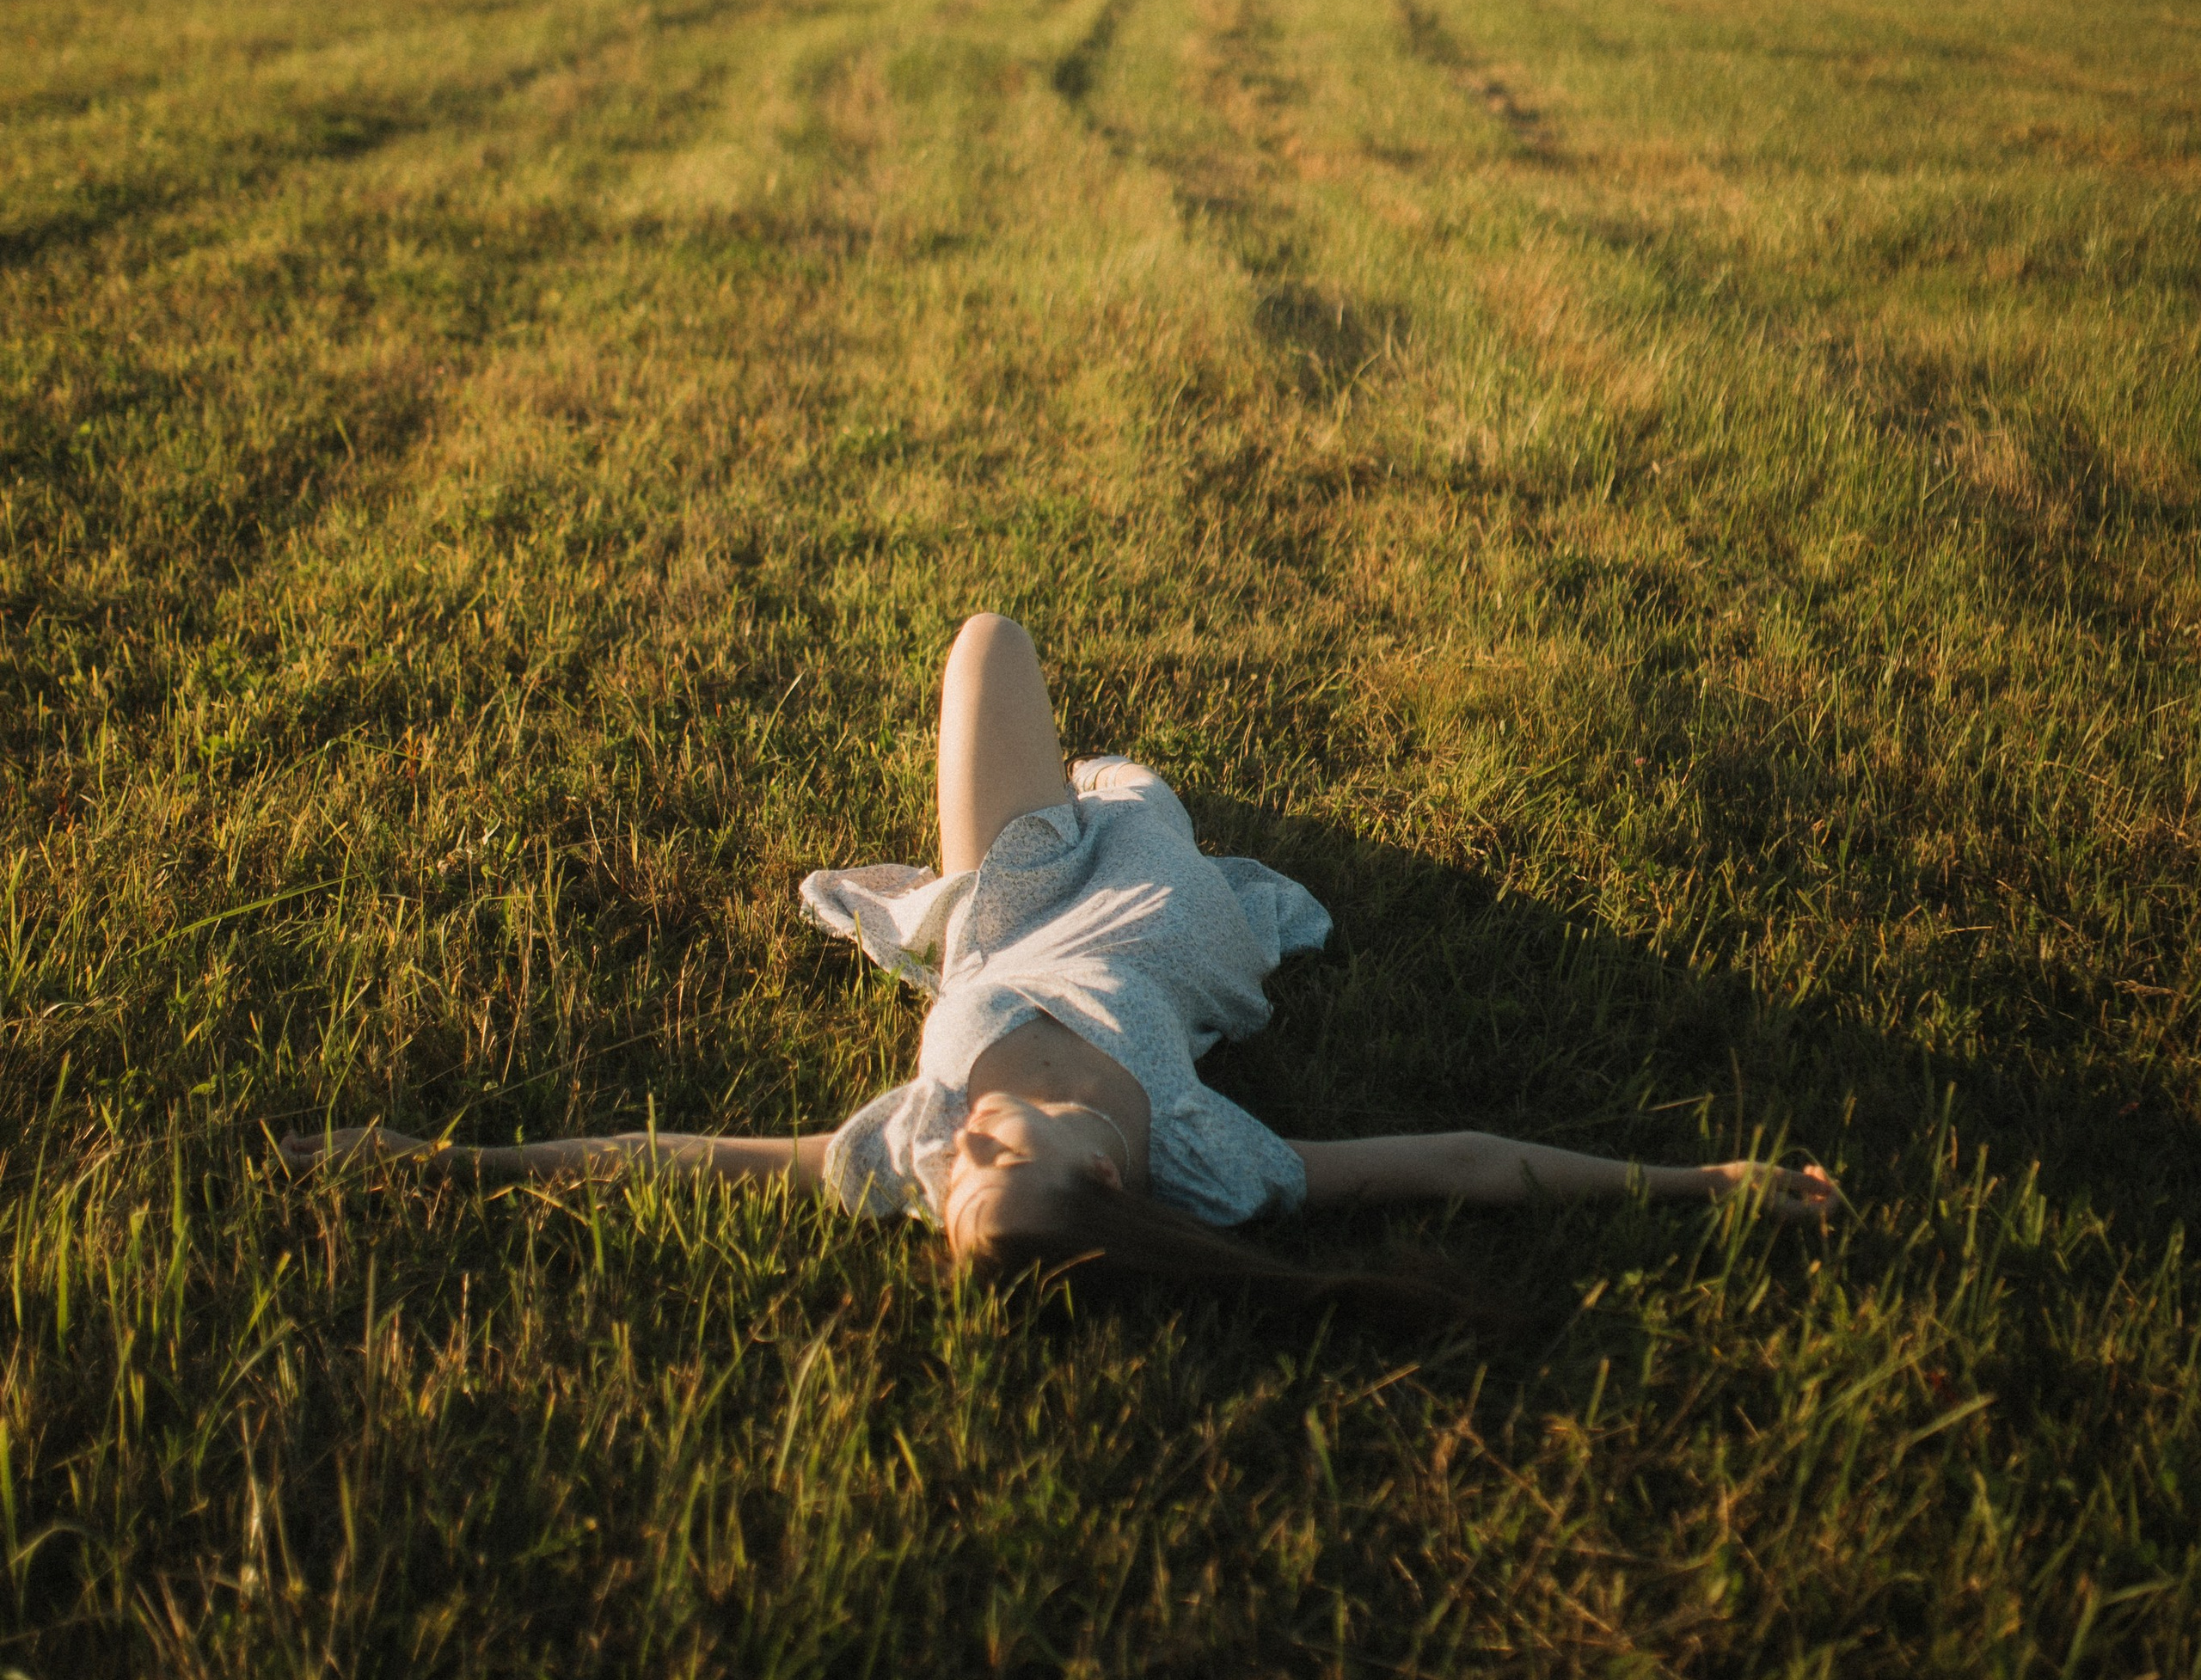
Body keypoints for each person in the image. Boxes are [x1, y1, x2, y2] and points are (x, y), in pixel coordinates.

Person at [279, 616, 1840, 1307]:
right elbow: (1472, 1163)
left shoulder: (902, 1152)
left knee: (986, 639)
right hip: (1168, 906)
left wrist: (447, 1157)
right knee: (1137, 789)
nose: (951, 1139)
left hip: (1011, 899)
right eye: (992, 1155)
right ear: (1101, 1163)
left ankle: (1060, 802)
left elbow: (662, 1158)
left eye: (950, 1172)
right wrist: (1699, 1190)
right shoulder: (1226, 1164)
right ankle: (1126, 799)